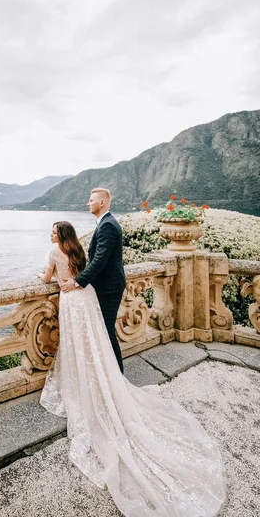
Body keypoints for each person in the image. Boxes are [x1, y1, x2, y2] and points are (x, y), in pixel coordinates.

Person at [38, 220, 226, 517]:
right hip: (86, 298)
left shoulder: (54, 252)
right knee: (95, 343)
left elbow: (46, 277)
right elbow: (89, 267)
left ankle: (88, 382)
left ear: (58, 235)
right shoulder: (75, 251)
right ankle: (104, 377)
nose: (49, 235)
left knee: (78, 345)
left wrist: (43, 276)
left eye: (52, 232)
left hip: (70, 299)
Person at [61, 188, 125, 372]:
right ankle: (111, 375)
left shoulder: (108, 225)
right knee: (104, 331)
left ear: (102, 203)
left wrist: (76, 282)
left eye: (91, 200)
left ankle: (117, 377)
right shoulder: (105, 223)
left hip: (109, 288)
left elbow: (100, 260)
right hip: (106, 285)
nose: (88, 203)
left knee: (106, 332)